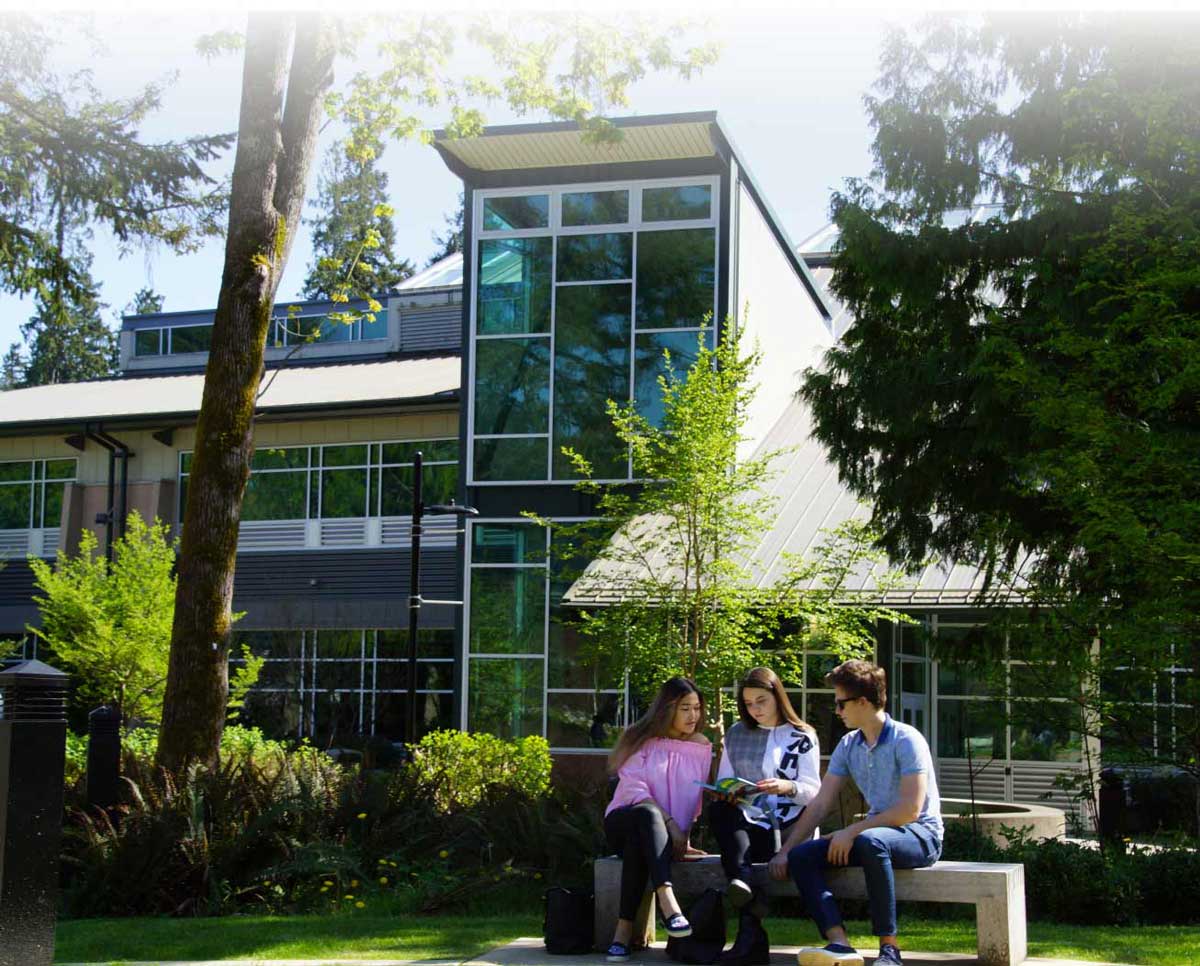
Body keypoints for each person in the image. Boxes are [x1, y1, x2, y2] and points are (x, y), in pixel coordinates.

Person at [769, 660, 942, 966]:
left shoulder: (907, 739)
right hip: (875, 836)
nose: (837, 711)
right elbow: (821, 803)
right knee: (802, 857)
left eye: (840, 704)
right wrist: (785, 850)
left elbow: (910, 810)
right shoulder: (849, 745)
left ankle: (890, 949)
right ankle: (839, 943)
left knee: (870, 840)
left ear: (862, 702)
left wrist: (851, 831)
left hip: (920, 835)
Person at [709, 667, 821, 966]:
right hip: (749, 824)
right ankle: (743, 885)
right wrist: (728, 792)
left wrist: (788, 787)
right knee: (720, 809)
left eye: (762, 701)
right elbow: (725, 780)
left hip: (790, 830)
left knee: (740, 860)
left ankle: (749, 936)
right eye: (748, 704)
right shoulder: (736, 734)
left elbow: (814, 793)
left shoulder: (802, 735)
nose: (755, 709)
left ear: (777, 697)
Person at [604, 676, 712, 963]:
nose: (693, 716)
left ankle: (622, 933)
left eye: (697, 708)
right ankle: (668, 900)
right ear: (668, 709)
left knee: (640, 848)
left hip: (656, 840)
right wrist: (671, 824)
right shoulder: (639, 739)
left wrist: (683, 836)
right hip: (622, 822)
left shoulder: (701, 747)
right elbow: (636, 789)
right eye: (685, 708)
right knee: (646, 814)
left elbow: (693, 798)